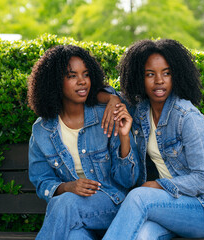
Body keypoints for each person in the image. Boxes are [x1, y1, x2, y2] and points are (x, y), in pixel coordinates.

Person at [99, 39, 204, 239]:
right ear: (139, 78)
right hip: (169, 208)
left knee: (138, 197)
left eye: (166, 73)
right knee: (143, 236)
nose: (159, 80)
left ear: (176, 75)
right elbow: (96, 92)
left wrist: (159, 184)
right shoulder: (142, 111)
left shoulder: (187, 116)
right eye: (150, 74)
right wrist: (114, 105)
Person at [27, 45, 139, 239]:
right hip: (75, 216)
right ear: (55, 82)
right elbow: (42, 181)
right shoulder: (42, 131)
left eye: (86, 75)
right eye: (72, 76)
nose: (82, 82)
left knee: (64, 203)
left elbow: (127, 180)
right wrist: (68, 187)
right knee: (74, 236)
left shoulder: (105, 115)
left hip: (114, 204)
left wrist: (124, 137)